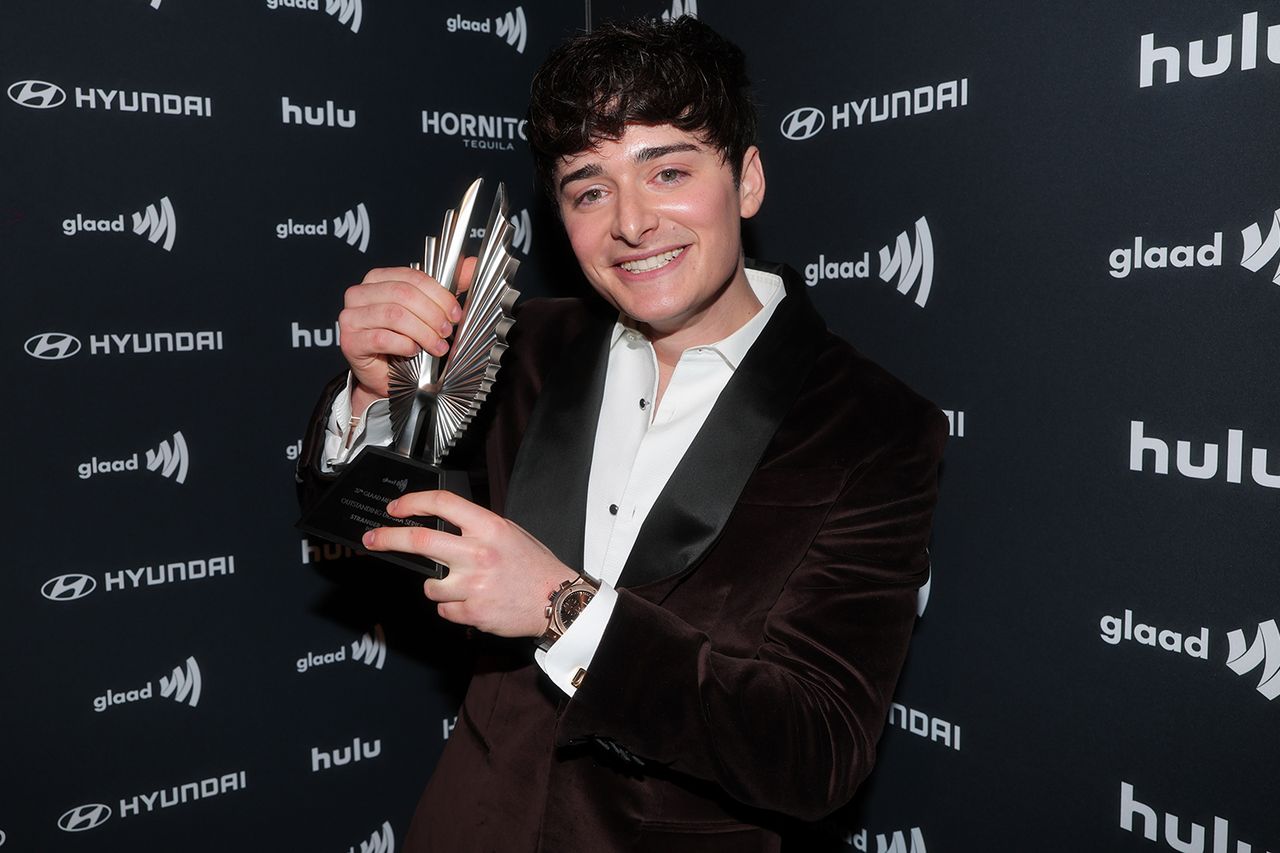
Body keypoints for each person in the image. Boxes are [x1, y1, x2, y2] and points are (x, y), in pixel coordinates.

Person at [297, 16, 946, 853]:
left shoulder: (876, 424)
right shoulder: (522, 345)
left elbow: (817, 752)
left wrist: (560, 607)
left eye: (668, 170)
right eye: (589, 189)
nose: (631, 223)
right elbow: (374, 532)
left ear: (746, 181)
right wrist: (370, 389)